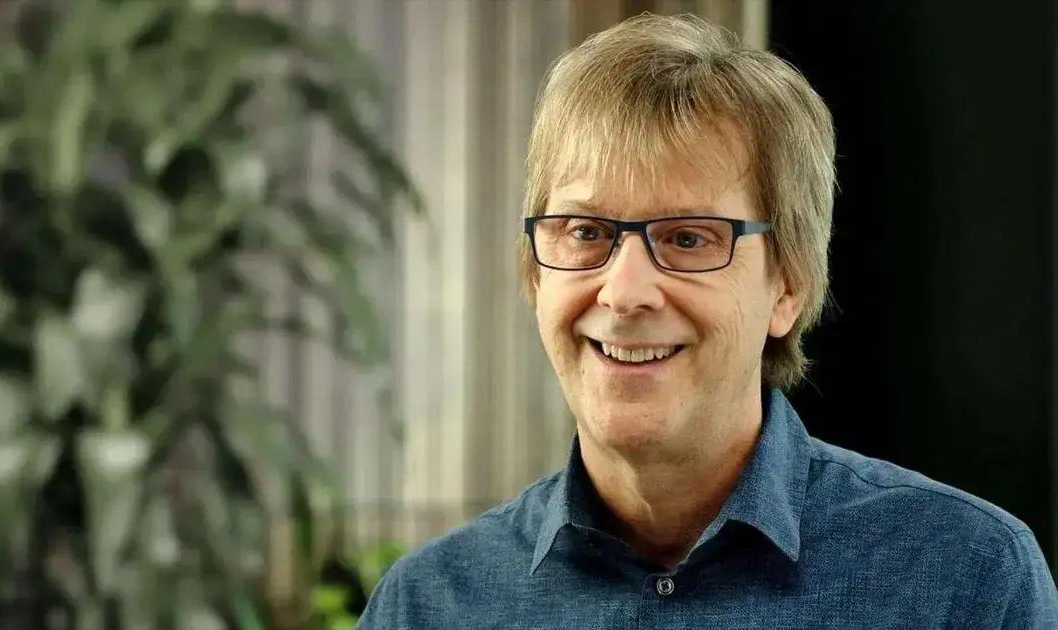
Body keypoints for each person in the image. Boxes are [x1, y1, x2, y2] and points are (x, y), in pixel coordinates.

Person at [358, 13, 1058, 628]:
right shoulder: (426, 606)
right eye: (586, 232)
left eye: (688, 238)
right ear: (535, 275)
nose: (624, 293)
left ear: (788, 285)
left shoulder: (967, 579)